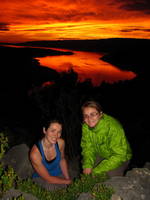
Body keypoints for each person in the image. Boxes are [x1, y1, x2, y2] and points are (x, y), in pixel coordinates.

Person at [81, 100, 132, 177]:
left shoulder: (113, 127)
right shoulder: (86, 127)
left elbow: (119, 155)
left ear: (100, 114)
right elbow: (88, 148)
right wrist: (88, 165)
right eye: (86, 115)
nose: (89, 118)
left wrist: (97, 170)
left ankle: (126, 169)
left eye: (93, 114)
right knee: (85, 165)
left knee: (108, 175)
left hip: (120, 157)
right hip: (101, 153)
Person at [30, 119, 72, 190]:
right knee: (51, 188)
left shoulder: (61, 143)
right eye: (53, 131)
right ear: (44, 130)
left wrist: (67, 178)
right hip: (42, 178)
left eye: (59, 132)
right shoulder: (35, 153)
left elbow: (62, 160)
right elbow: (48, 178)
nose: (56, 135)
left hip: (59, 174)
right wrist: (67, 182)